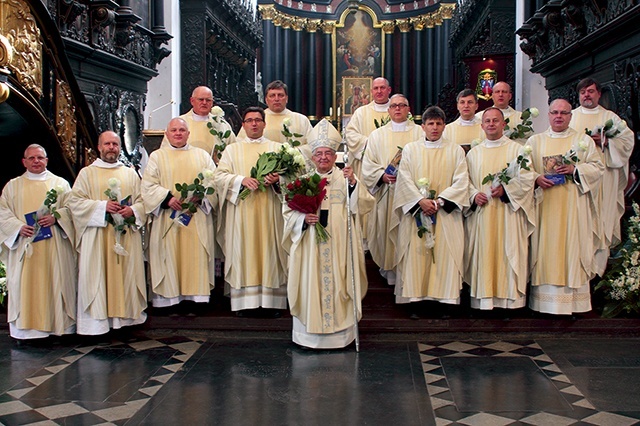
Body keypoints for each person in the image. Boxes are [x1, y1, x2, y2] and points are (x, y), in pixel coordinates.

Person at [283, 119, 374, 349]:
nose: (323, 157)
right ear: (312, 157)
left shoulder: (346, 180)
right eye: (319, 154)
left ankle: (340, 337)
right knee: (311, 284)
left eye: (328, 153)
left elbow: (362, 206)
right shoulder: (302, 182)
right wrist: (303, 219)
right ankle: (307, 337)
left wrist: (353, 184)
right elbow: (287, 213)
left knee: (340, 285)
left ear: (335, 157)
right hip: (310, 244)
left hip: (339, 244)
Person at [528, 99, 604, 315]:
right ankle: (544, 303)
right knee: (546, 249)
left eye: (564, 113)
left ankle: (573, 303)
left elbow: (598, 169)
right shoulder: (535, 141)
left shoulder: (583, 141)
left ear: (571, 116)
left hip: (573, 207)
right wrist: (536, 178)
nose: (559, 116)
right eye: (554, 112)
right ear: (548, 114)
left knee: (572, 246)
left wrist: (575, 169)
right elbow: (523, 172)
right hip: (545, 207)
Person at [69, 131, 147, 334]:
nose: (111, 147)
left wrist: (133, 210)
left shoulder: (130, 173)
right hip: (98, 238)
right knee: (98, 277)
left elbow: (142, 202)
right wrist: (102, 207)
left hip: (126, 237)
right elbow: (75, 203)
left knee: (126, 277)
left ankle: (125, 323)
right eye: (107, 144)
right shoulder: (87, 173)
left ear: (119, 147)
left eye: (115, 144)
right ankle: (97, 326)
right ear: (99, 147)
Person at [391, 106, 469, 309]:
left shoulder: (455, 150)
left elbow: (461, 181)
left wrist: (440, 201)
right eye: (430, 124)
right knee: (417, 256)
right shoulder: (410, 149)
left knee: (445, 255)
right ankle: (415, 301)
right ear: (423, 126)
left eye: (438, 123)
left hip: (445, 214)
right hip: (417, 212)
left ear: (444, 126)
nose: (434, 128)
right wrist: (420, 201)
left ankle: (445, 302)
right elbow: (404, 179)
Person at [214, 107, 288, 315]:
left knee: (270, 250)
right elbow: (219, 177)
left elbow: (293, 179)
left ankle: (271, 303)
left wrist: (278, 180)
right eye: (249, 121)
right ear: (243, 125)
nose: (254, 124)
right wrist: (240, 180)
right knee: (244, 252)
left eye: (258, 120)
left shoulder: (278, 148)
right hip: (242, 213)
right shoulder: (232, 150)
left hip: (270, 212)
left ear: (265, 124)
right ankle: (244, 304)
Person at [0, 144, 76, 339]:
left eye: (40, 158)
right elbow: (3, 213)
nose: (36, 161)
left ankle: (57, 328)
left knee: (55, 282)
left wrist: (56, 217)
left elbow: (73, 209)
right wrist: (17, 227)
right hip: (25, 247)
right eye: (32, 158)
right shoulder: (13, 186)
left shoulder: (60, 184)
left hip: (55, 246)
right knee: (26, 287)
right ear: (24, 161)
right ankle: (27, 333)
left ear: (47, 161)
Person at [464, 108, 536, 310]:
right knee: (484, 253)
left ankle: (508, 303)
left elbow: (527, 179)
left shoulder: (517, 150)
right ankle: (483, 302)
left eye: (496, 120)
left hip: (507, 215)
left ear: (504, 124)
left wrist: (506, 190)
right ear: (482, 125)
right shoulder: (474, 153)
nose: (491, 124)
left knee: (507, 252)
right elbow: (465, 180)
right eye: (487, 121)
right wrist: (472, 195)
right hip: (483, 214)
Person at [142, 118, 217, 309]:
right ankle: (168, 300)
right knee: (169, 255)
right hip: (168, 217)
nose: (178, 133)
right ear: (167, 134)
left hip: (196, 216)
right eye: (173, 130)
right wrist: (167, 199)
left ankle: (196, 300)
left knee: (195, 256)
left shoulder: (202, 156)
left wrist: (200, 197)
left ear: (188, 133)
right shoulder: (157, 157)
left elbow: (215, 182)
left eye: (182, 130)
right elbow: (148, 185)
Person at [569, 77, 634, 275]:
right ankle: (578, 268)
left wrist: (605, 142)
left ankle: (599, 271)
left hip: (604, 179)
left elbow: (627, 143)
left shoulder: (611, 118)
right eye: (583, 92)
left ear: (598, 94)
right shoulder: (569, 116)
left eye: (590, 91)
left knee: (602, 221)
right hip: (579, 180)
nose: (586, 95)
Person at [362, 94, 422, 286]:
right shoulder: (377, 135)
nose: (397, 109)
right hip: (387, 192)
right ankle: (389, 271)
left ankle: (409, 270)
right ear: (388, 110)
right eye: (394, 106)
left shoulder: (420, 133)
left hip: (412, 196)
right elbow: (368, 163)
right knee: (387, 229)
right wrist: (381, 175)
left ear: (408, 109)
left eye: (402, 105)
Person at [237, 80, 313, 167]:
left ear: (286, 98)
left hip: (292, 171)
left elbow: (313, 146)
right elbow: (241, 144)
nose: (276, 99)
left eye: (280, 95)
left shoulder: (301, 120)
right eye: (272, 96)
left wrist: (293, 153)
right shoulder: (256, 119)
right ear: (266, 100)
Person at [161, 86, 236, 163]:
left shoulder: (221, 124)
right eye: (201, 99)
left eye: (208, 100)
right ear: (192, 101)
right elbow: (166, 151)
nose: (204, 102)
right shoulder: (179, 124)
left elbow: (233, 151)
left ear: (212, 103)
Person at [344, 77, 393, 178]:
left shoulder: (399, 112)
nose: (379, 91)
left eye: (382, 88)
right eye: (376, 88)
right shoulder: (361, 113)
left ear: (389, 90)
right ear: (371, 91)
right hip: (367, 167)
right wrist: (370, 143)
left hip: (391, 163)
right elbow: (350, 134)